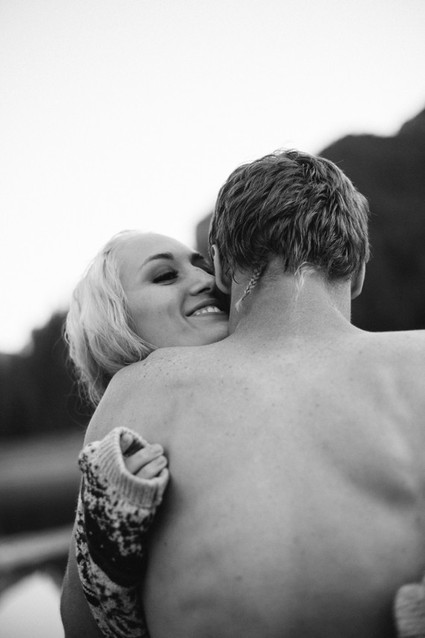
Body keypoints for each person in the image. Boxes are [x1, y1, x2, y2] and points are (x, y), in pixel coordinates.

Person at [63, 149, 425, 638]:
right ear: (358, 272)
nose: (200, 282)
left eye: (202, 267)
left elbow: (81, 630)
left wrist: (105, 557)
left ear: (222, 268)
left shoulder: (137, 391)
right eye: (166, 275)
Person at [61, 230, 229, 637]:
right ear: (116, 323)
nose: (208, 280)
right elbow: (79, 629)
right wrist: (108, 546)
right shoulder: (121, 442)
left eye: (204, 265)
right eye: (165, 276)